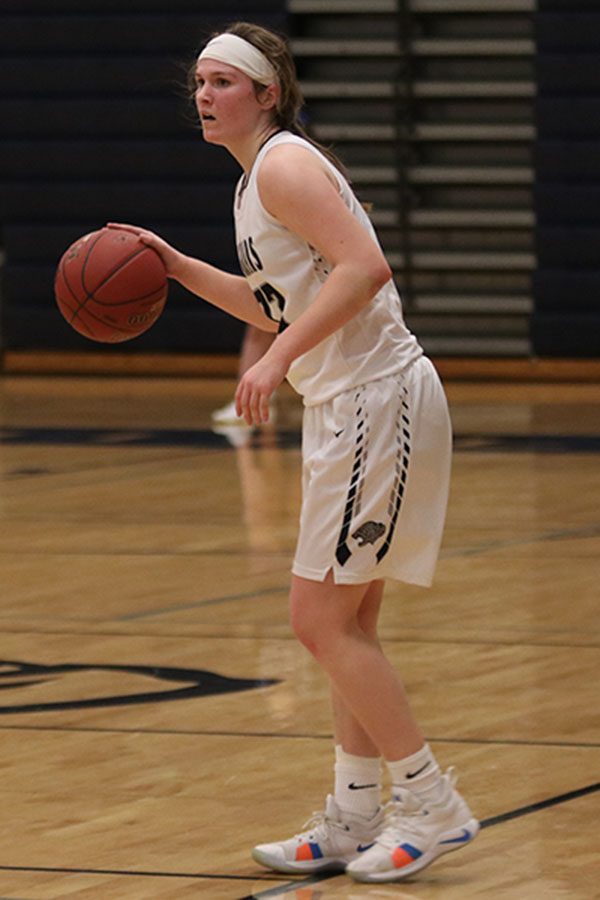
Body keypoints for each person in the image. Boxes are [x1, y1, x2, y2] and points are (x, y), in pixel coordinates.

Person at [109, 21, 479, 884]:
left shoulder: (282, 164)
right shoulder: (254, 183)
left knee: (316, 622)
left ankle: (431, 805)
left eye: (222, 82)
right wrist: (173, 266)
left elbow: (366, 268)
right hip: (351, 406)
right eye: (197, 82)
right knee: (348, 623)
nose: (204, 95)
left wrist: (276, 361)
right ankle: (355, 812)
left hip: (374, 399)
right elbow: (275, 298)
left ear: (266, 92)